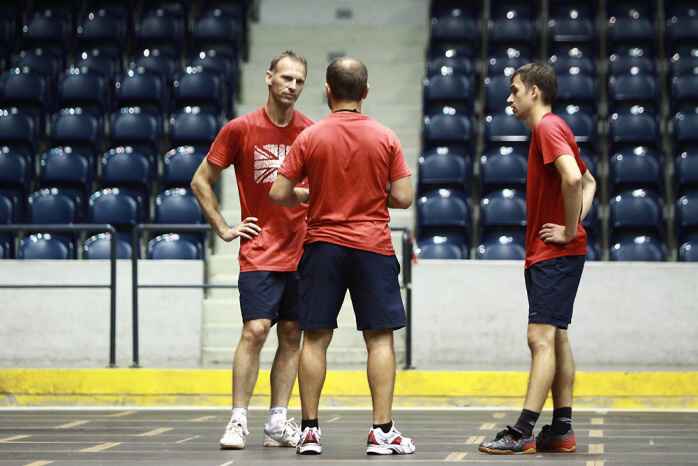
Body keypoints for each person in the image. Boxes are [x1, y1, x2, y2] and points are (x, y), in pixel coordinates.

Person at [269, 56, 416, 456]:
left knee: (314, 338)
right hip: (371, 246)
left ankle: (311, 431)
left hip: (323, 247)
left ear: (328, 91)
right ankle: (382, 431)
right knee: (379, 338)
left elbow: (278, 193)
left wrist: (312, 193)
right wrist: (370, 194)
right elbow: (403, 197)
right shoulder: (385, 136)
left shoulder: (311, 137)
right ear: (365, 92)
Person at [190, 50, 313, 450]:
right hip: (260, 249)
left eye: (299, 81)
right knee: (256, 330)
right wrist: (224, 227)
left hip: (302, 250)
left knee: (292, 334)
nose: (292, 86)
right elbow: (200, 181)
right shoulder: (240, 129)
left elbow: (321, 190)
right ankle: (238, 419)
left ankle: (278, 420)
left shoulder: (310, 132)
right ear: (268, 78)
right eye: (286, 78)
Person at [479, 63, 597, 455]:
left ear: (534, 91)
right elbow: (589, 180)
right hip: (555, 252)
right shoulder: (553, 129)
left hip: (555, 253)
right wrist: (575, 223)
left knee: (540, 338)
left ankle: (523, 431)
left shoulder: (547, 128)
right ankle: (561, 429)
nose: (509, 98)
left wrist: (567, 229)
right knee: (557, 338)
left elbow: (575, 179)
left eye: (514, 90)